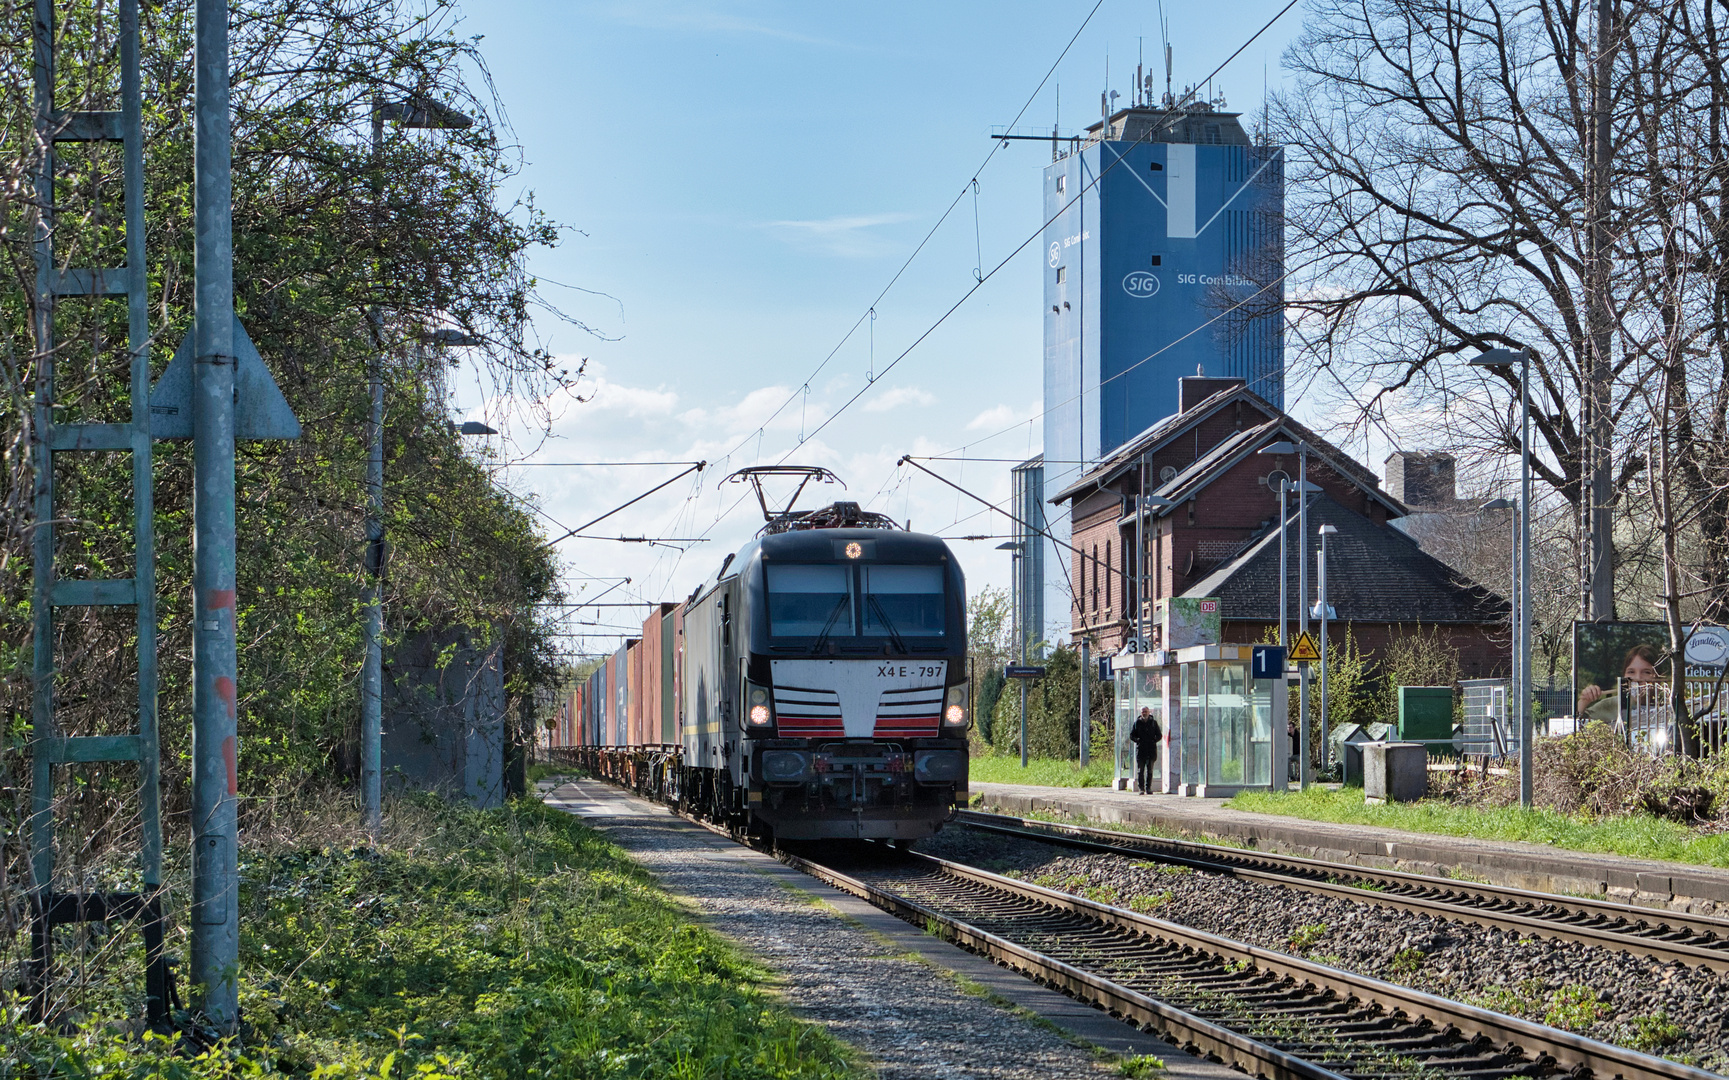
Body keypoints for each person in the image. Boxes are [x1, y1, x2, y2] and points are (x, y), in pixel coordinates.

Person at [1578, 644, 1662, 722]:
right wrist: (1584, 702)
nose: (1638, 678)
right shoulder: (1610, 705)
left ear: (1658, 677)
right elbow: (1575, 725)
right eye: (1631, 672)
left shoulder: (1669, 707)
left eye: (1646, 672)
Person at [1129, 706, 1162, 794]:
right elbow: (1132, 735)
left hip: (1151, 750)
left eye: (1146, 711)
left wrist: (1153, 741)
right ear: (1141, 713)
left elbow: (1159, 735)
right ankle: (1141, 789)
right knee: (1141, 770)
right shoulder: (1137, 723)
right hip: (1140, 750)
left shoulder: (1153, 723)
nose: (1144, 713)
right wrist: (1138, 740)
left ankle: (1148, 788)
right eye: (1143, 711)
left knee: (1150, 770)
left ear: (1149, 712)